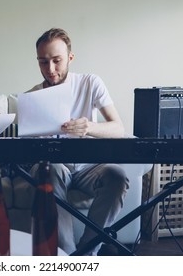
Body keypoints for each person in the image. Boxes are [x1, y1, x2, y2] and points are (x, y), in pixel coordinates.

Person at [27, 28, 129, 255]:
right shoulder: (32, 96)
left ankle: (87, 252)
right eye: (43, 62)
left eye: (57, 61)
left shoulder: (90, 82)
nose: (50, 69)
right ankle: (67, 256)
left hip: (88, 166)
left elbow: (118, 128)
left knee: (117, 176)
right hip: (54, 165)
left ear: (70, 58)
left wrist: (89, 127)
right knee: (47, 171)